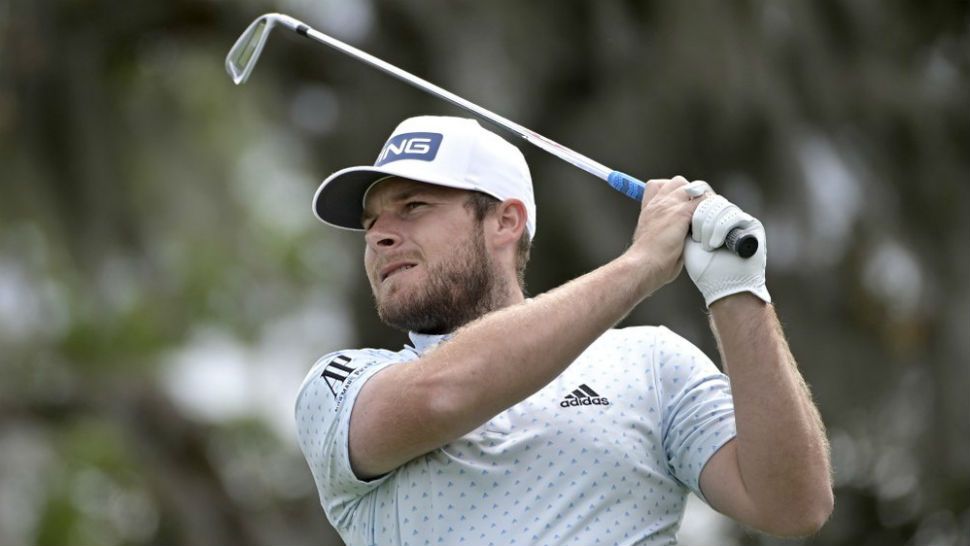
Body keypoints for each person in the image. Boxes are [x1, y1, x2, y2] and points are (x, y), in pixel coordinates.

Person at [295, 115, 833, 545]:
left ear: (506, 222)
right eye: (371, 225)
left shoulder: (651, 362)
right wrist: (641, 264)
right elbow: (442, 394)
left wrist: (737, 293)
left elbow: (793, 505)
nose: (380, 237)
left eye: (413, 207)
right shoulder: (341, 385)